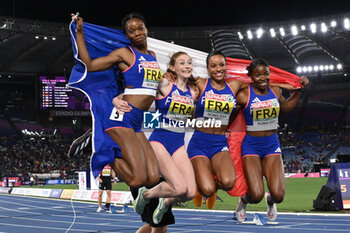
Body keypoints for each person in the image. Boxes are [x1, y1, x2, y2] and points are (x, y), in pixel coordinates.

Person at [71, 13, 160, 189]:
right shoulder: (124, 54)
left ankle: (102, 145)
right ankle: (101, 152)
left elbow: (146, 87)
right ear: (127, 35)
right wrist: (80, 32)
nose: (137, 33)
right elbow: (90, 65)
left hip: (137, 121)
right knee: (137, 180)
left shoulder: (153, 55)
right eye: (132, 31)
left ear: (146, 29)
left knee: (153, 178)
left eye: (140, 28)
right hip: (122, 118)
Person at [115, 52, 197, 224]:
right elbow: (140, 89)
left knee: (189, 193)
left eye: (189, 62)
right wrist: (117, 98)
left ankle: (164, 200)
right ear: (173, 68)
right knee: (180, 187)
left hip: (178, 143)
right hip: (159, 141)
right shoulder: (165, 84)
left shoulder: (193, 92)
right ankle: (145, 194)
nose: (187, 66)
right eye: (182, 63)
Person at [234, 58, 309, 221]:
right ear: (251, 77)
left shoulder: (275, 91)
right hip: (251, 146)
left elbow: (286, 108)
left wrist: (298, 92)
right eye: (258, 75)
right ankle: (243, 200)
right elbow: (231, 115)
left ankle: (270, 201)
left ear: (270, 74)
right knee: (255, 195)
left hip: (271, 145)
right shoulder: (244, 94)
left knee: (279, 195)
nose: (263, 78)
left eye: (266, 74)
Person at [187, 51, 240, 209]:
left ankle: (210, 185)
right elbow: (179, 78)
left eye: (221, 65)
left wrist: (292, 83)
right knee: (206, 189)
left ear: (226, 66)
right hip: (200, 143)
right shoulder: (201, 83)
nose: (218, 69)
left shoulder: (235, 86)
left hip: (219, 144)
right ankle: (202, 187)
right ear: (208, 68)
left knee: (229, 183)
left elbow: (257, 86)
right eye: (213, 66)